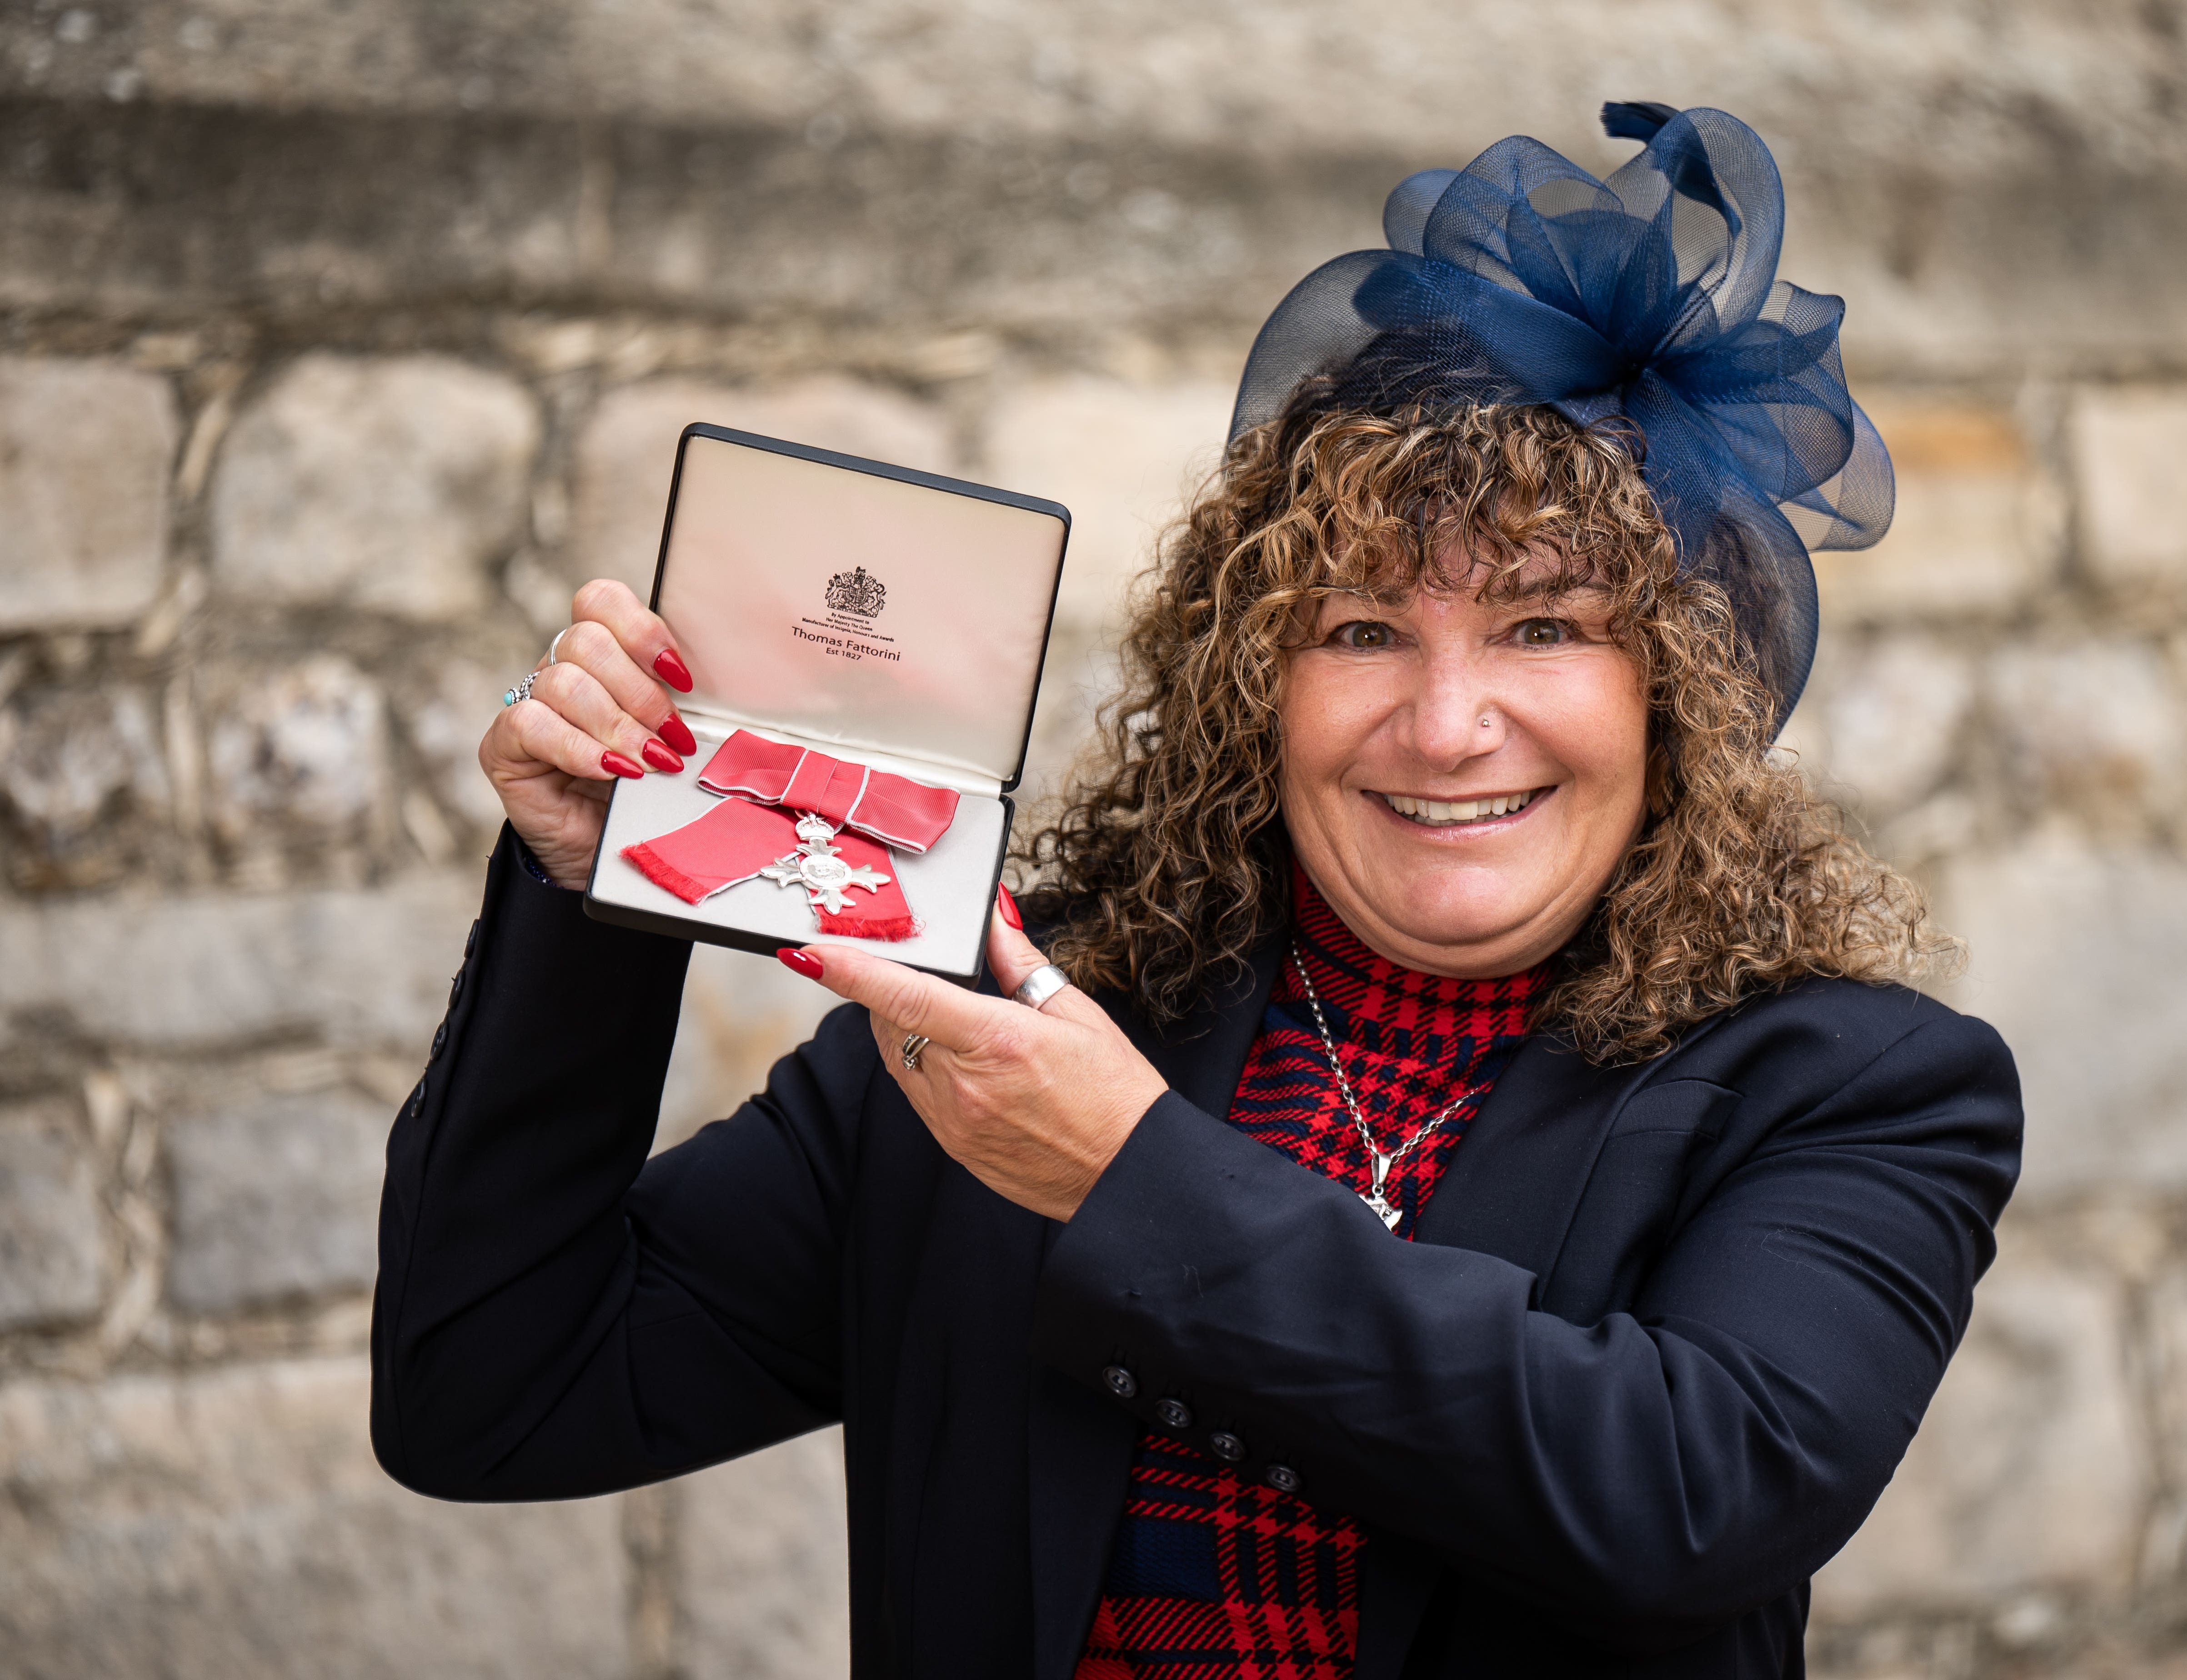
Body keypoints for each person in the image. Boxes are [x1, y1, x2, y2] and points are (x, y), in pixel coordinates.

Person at [375, 103, 2022, 1680]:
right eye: (1362, 629)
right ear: (1255, 685)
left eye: (1545, 626)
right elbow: (493, 1393)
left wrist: (1127, 1177)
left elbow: (1683, 1500)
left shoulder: (1859, 1088)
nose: (1450, 726)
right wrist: (593, 898)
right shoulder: (1006, 1028)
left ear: (1675, 693)